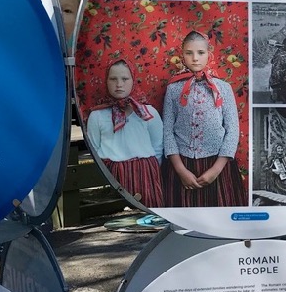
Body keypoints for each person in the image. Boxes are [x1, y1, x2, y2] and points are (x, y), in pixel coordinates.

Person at [162, 31, 246, 208]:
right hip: (183, 164)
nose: (195, 58)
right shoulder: (173, 89)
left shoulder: (223, 88)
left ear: (209, 54)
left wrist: (216, 170)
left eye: (200, 52)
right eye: (189, 53)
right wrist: (180, 170)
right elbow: (167, 130)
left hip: (217, 165)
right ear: (182, 55)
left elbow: (232, 130)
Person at [86, 59, 164, 206]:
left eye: (125, 79)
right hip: (113, 175)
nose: (119, 84)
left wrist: (149, 170)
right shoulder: (97, 115)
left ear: (133, 80)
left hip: (145, 174)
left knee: (150, 213)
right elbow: (94, 148)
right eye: (113, 79)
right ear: (106, 81)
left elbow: (158, 145)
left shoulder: (147, 113)